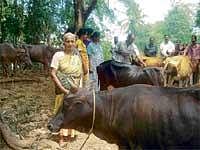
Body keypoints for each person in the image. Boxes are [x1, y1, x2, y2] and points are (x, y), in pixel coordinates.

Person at [50, 32, 83, 146]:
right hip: (62, 88)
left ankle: (69, 135)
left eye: (72, 41)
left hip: (74, 89)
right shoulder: (58, 55)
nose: (70, 43)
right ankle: (61, 138)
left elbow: (79, 74)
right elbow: (53, 74)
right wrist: (64, 89)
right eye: (67, 41)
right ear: (63, 43)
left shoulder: (76, 57)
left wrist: (77, 88)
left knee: (72, 111)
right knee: (61, 111)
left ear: (75, 43)